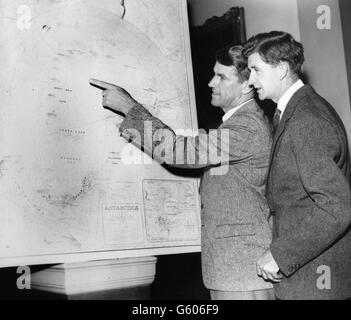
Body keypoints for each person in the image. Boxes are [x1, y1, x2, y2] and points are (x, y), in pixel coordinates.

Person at [90, 45, 274, 300]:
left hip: (242, 272)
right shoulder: (235, 123)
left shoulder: (247, 126)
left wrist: (129, 108)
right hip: (234, 268)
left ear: (246, 86)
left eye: (222, 77)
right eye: (213, 73)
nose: (211, 82)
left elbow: (178, 152)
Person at [243, 31, 351, 300]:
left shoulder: (306, 118)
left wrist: (282, 254)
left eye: (255, 69)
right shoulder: (295, 111)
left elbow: (336, 206)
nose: (250, 80)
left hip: (315, 282)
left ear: (281, 69)